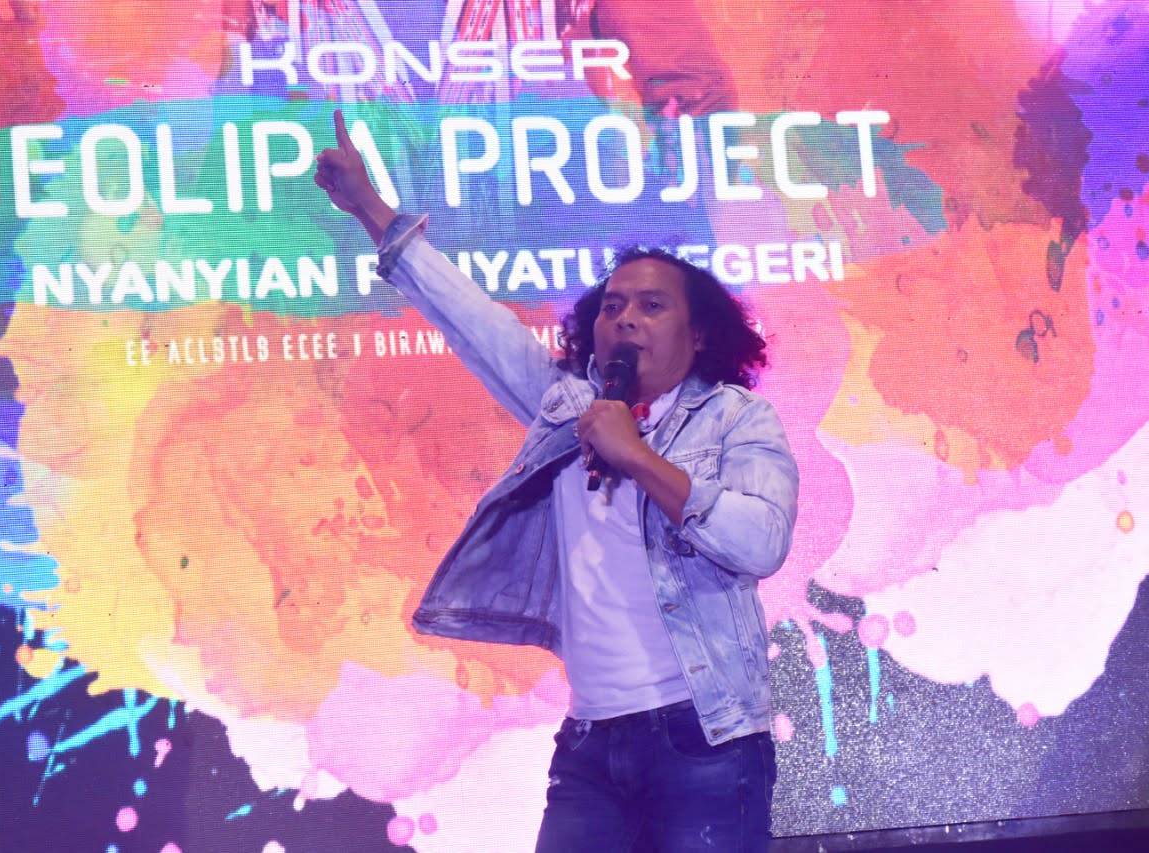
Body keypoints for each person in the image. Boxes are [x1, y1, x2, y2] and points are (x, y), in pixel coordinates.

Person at [315, 109, 798, 852]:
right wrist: (372, 212)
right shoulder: (567, 409)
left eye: (652, 306)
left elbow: (761, 543)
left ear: (698, 333)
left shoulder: (737, 417)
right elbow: (473, 322)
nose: (625, 318)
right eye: (612, 306)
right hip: (591, 746)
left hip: (704, 738)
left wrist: (639, 457)